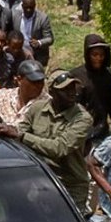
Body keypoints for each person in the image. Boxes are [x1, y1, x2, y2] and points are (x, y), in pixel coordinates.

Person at [15, 70, 94, 206]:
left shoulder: (82, 118)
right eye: (65, 89)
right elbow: (18, 133)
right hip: (39, 178)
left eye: (73, 88)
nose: (72, 92)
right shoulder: (37, 108)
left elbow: (59, 148)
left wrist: (23, 137)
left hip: (70, 184)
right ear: (52, 92)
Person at [67, 33, 111, 142]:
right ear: (88, 55)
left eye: (101, 55)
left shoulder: (109, 76)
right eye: (94, 55)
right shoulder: (76, 75)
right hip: (80, 132)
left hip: (102, 131)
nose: (98, 58)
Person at [9, 0, 53, 66]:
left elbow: (50, 38)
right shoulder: (15, 15)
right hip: (19, 52)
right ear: (22, 6)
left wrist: (39, 42)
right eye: (26, 7)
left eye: (31, 7)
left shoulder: (42, 18)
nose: (28, 10)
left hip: (36, 53)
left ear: (34, 6)